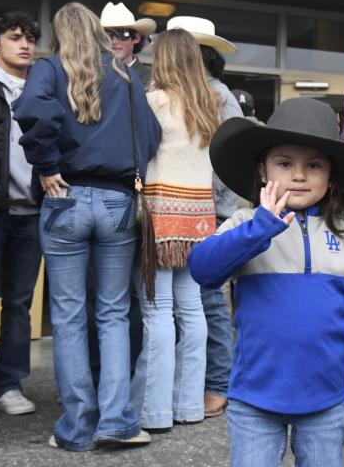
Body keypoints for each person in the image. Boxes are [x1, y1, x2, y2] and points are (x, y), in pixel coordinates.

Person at [189, 97, 344, 466]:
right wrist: (262, 227)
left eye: (314, 165)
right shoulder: (245, 225)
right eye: (284, 163)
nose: (299, 175)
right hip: (254, 398)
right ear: (262, 171)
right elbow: (203, 269)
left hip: (324, 399)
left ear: (331, 176)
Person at [13, 2, 160, 451]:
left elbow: (34, 112)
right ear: (98, 31)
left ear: (58, 33)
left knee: (69, 316)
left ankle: (77, 427)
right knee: (114, 313)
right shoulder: (122, 73)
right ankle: (117, 421)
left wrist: (46, 163)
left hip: (65, 198)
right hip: (118, 201)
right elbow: (150, 135)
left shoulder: (49, 69)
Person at [129, 28, 219, 430]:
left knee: (158, 313)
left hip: (162, 214)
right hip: (200, 217)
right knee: (193, 310)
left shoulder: (154, 100)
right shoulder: (208, 103)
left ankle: (154, 411)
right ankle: (188, 405)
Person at [165, 15, 242, 418]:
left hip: (211, 211)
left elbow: (231, 157)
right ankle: (194, 380)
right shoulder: (171, 93)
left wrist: (217, 208)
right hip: (180, 210)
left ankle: (218, 383)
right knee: (182, 302)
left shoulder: (217, 95)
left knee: (208, 298)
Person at [0, 12, 41, 420]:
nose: (25, 44)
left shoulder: (40, 90)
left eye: (30, 39)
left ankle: (7, 384)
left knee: (19, 303)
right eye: (14, 37)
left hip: (31, 212)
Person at [100, 2, 155, 86]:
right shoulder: (94, 75)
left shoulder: (150, 78)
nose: (114, 41)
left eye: (122, 34)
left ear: (136, 38)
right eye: (108, 35)